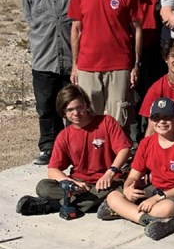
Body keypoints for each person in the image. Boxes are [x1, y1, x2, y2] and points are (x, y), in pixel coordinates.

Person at [21, 0, 92, 165]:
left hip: (76, 59)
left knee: (76, 107)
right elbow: (30, 18)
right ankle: (49, 148)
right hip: (44, 57)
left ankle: (77, 148)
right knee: (46, 107)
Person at [16, 85, 131, 216]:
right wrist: (71, 182)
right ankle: (90, 203)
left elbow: (124, 149)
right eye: (70, 110)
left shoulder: (106, 122)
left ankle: (52, 205)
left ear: (86, 104)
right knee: (43, 187)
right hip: (79, 184)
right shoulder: (64, 136)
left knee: (114, 190)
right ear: (63, 112)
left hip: (108, 181)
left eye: (79, 107)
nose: (76, 113)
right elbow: (53, 170)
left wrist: (110, 173)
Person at [100, 97, 174, 240]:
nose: (161, 122)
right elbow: (133, 175)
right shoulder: (146, 143)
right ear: (151, 120)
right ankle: (147, 220)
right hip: (154, 189)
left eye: (167, 117)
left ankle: (126, 212)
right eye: (156, 118)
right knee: (113, 196)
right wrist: (128, 187)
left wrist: (157, 198)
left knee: (165, 208)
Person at [68, 0, 142, 130]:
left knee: (119, 118)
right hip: (88, 66)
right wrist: (75, 66)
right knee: (88, 116)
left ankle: (118, 157)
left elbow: (137, 30)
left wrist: (135, 64)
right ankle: (94, 157)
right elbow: (76, 30)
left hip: (119, 65)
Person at [128, 0, 168, 145]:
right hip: (132, 52)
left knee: (154, 98)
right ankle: (135, 144)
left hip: (158, 53)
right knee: (133, 99)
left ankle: (150, 141)